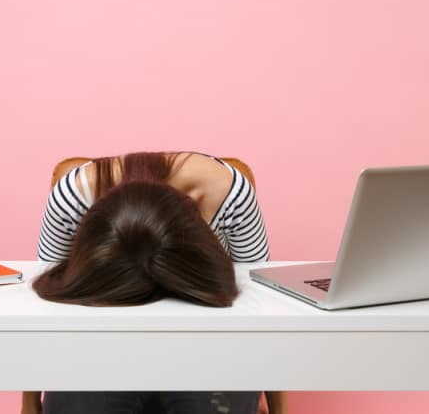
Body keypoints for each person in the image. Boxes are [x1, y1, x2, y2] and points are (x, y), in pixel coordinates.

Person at [22, 151, 270, 414]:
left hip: (204, 349)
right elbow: (48, 305)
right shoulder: (73, 199)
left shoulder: (229, 195)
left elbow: (263, 301)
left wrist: (270, 389)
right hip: (101, 351)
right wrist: (28, 403)